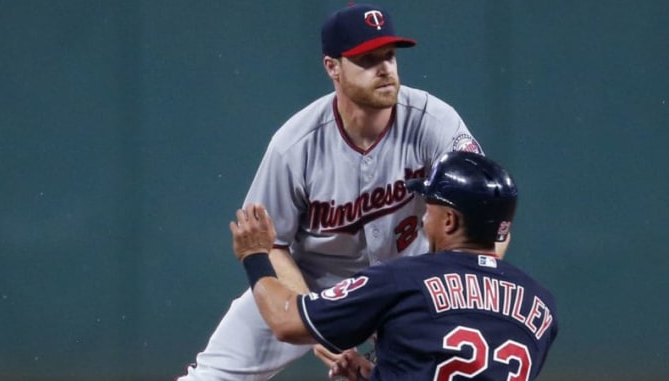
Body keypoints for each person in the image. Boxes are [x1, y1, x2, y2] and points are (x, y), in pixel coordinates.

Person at [178, 2, 500, 380]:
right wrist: (314, 315)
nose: (385, 69)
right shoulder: (294, 145)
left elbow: (485, 215)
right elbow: (273, 244)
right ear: (332, 67)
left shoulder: (435, 122)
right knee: (213, 374)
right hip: (317, 281)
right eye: (367, 60)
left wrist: (465, 285)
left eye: (390, 56)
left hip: (414, 282)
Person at [231, 151, 558, 381]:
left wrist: (256, 256)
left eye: (428, 206)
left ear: (449, 221)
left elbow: (286, 321)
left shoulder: (404, 278)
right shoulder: (542, 308)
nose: (423, 216)